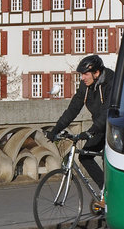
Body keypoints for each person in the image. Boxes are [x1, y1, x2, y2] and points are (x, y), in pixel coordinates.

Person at [46, 54, 113, 205]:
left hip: (115, 127)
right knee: (84, 156)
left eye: (85, 74)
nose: (82, 78)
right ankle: (107, 192)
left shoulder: (111, 82)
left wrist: (91, 131)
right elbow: (73, 108)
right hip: (99, 127)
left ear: (96, 73)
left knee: (107, 159)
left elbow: (107, 112)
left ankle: (112, 197)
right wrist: (56, 129)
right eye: (81, 74)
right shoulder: (86, 86)